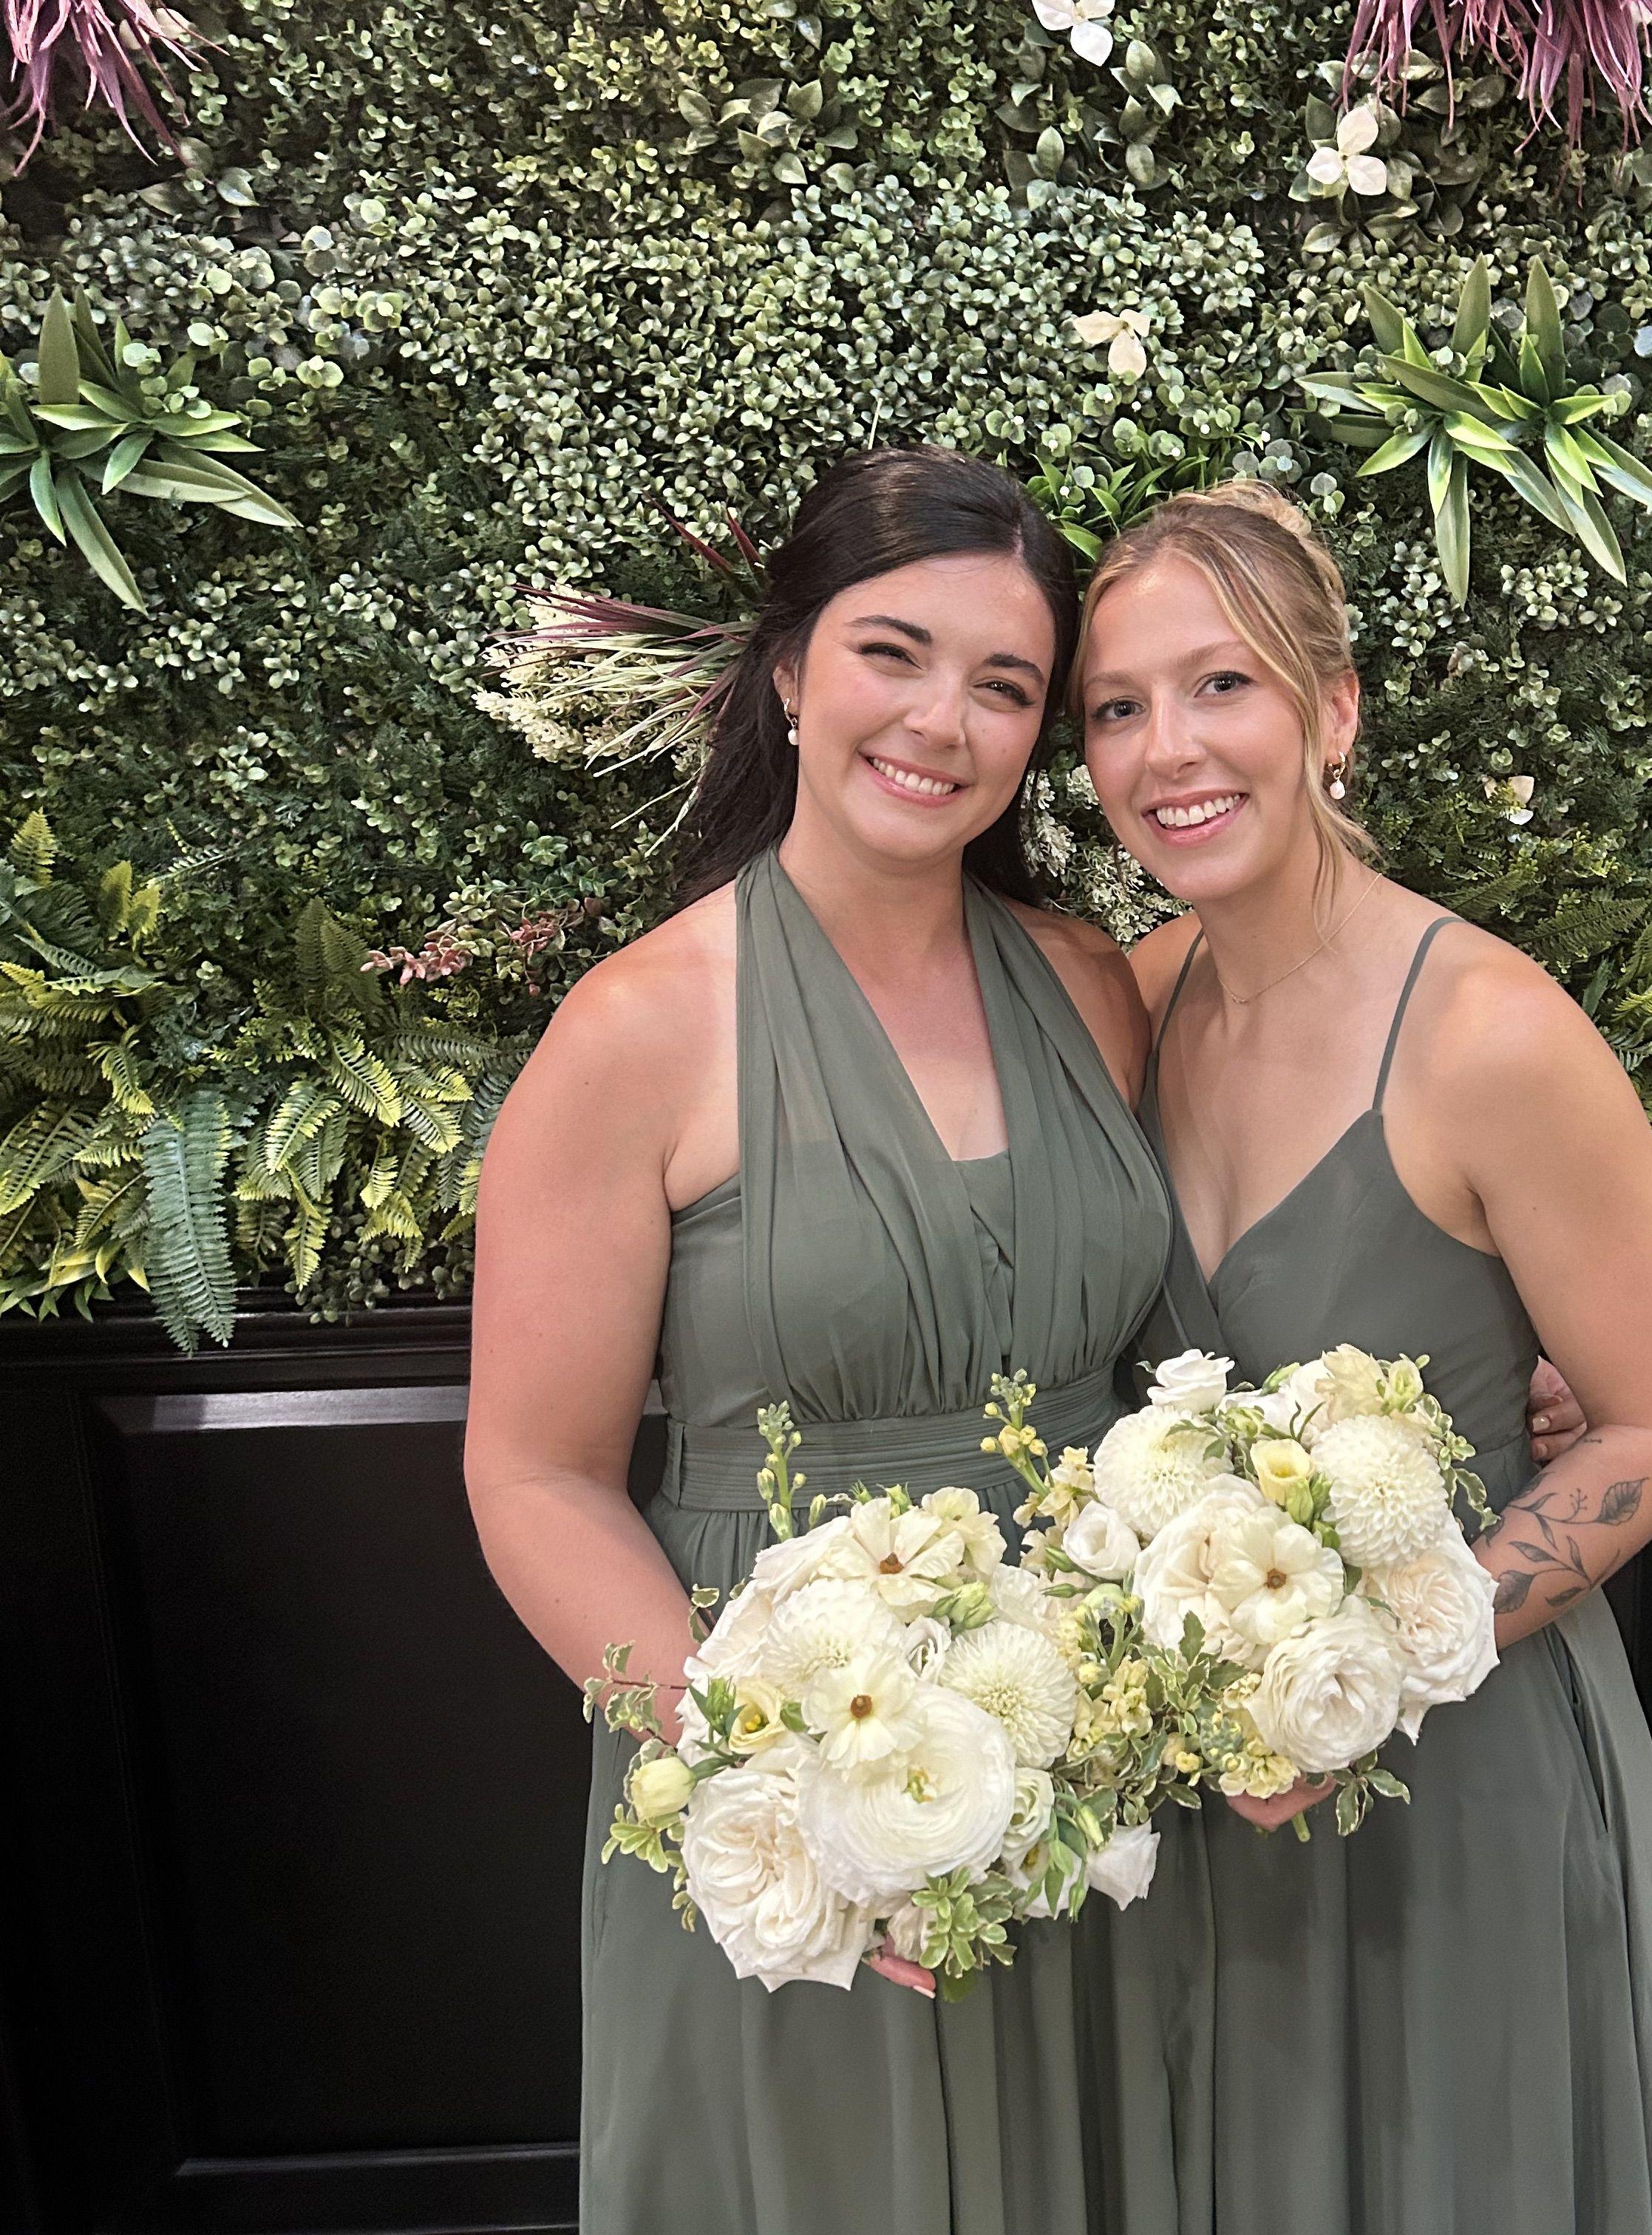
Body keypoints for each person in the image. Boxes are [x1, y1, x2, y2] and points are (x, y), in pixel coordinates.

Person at [462, 445, 1209, 2234]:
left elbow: (1199, 1327)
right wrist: (778, 1784)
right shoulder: (636, 1031)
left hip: (1086, 1746)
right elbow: (537, 1476)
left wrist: (1508, 1374)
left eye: (1006, 685)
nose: (942, 720)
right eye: (894, 652)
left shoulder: (1091, 984)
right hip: (787, 1743)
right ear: (792, 670)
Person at [1075, 477, 1652, 2233]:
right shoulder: (1129, 1003)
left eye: (1221, 685)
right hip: (1216, 1801)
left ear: (1335, 711)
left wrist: (1374, 1672)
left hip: (1463, 1782)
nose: (1166, 749)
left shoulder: (1493, 1038)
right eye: (1118, 708)